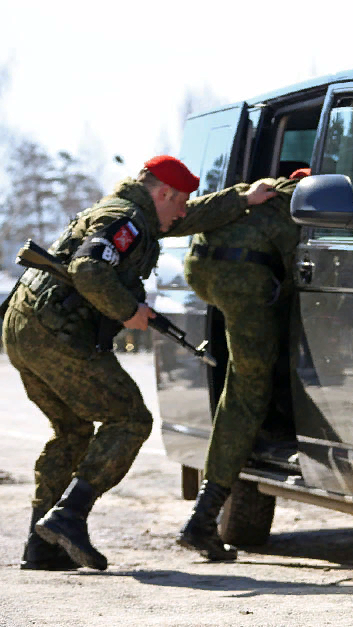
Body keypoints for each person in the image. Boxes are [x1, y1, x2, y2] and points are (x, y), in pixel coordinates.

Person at [4, 155, 276, 571]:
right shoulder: (126, 220)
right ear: (163, 192)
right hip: (54, 334)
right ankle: (68, 516)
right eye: (180, 201)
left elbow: (191, 217)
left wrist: (244, 197)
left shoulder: (137, 213)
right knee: (130, 419)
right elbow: (89, 268)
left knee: (72, 430)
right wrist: (129, 310)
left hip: (25, 330)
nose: (183, 212)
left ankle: (41, 546)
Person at [177, 167, 310, 561]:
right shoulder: (297, 203)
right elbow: (301, 273)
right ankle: (202, 519)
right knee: (246, 392)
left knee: (246, 378)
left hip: (200, 270)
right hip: (241, 279)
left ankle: (205, 515)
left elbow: (186, 218)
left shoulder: (254, 193)